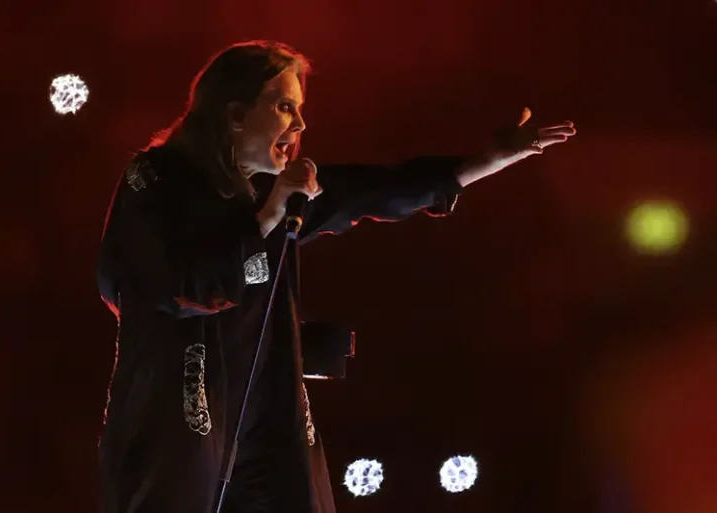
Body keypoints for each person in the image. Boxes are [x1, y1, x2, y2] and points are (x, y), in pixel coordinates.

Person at [95, 40, 576, 513]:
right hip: (181, 439)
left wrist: (483, 163)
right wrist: (265, 219)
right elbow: (172, 286)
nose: (300, 124)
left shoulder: (267, 190)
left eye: (300, 109)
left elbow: (371, 192)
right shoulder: (155, 180)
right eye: (284, 106)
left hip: (266, 443)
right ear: (235, 113)